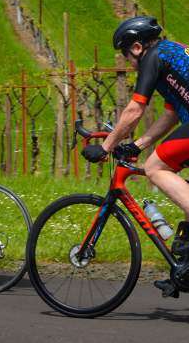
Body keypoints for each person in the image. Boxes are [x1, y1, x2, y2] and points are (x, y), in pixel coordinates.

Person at [82, 16, 189, 298]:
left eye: (126, 54)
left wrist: (106, 147)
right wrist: (138, 144)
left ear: (138, 47)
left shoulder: (153, 57)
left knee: (155, 168)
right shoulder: (172, 52)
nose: (128, 62)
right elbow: (170, 114)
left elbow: (134, 110)